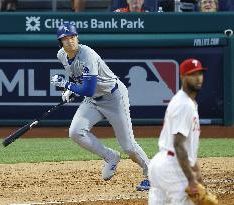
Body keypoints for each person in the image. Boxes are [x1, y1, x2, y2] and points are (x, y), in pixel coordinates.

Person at [51, 22, 150, 191]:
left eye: (72, 37)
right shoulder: (62, 55)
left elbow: (88, 89)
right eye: (65, 38)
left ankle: (152, 175)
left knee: (129, 146)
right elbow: (79, 78)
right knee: (75, 132)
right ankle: (110, 156)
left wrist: (67, 86)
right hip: (93, 101)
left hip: (114, 97)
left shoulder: (87, 53)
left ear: (77, 37)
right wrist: (72, 90)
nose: (70, 41)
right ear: (60, 42)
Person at [148, 58, 207, 204]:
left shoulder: (186, 102)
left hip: (161, 165)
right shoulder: (184, 104)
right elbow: (179, 145)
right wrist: (192, 180)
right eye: (192, 74)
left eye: (200, 73)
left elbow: (187, 146)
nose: (198, 78)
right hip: (173, 167)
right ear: (182, 77)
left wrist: (197, 174)